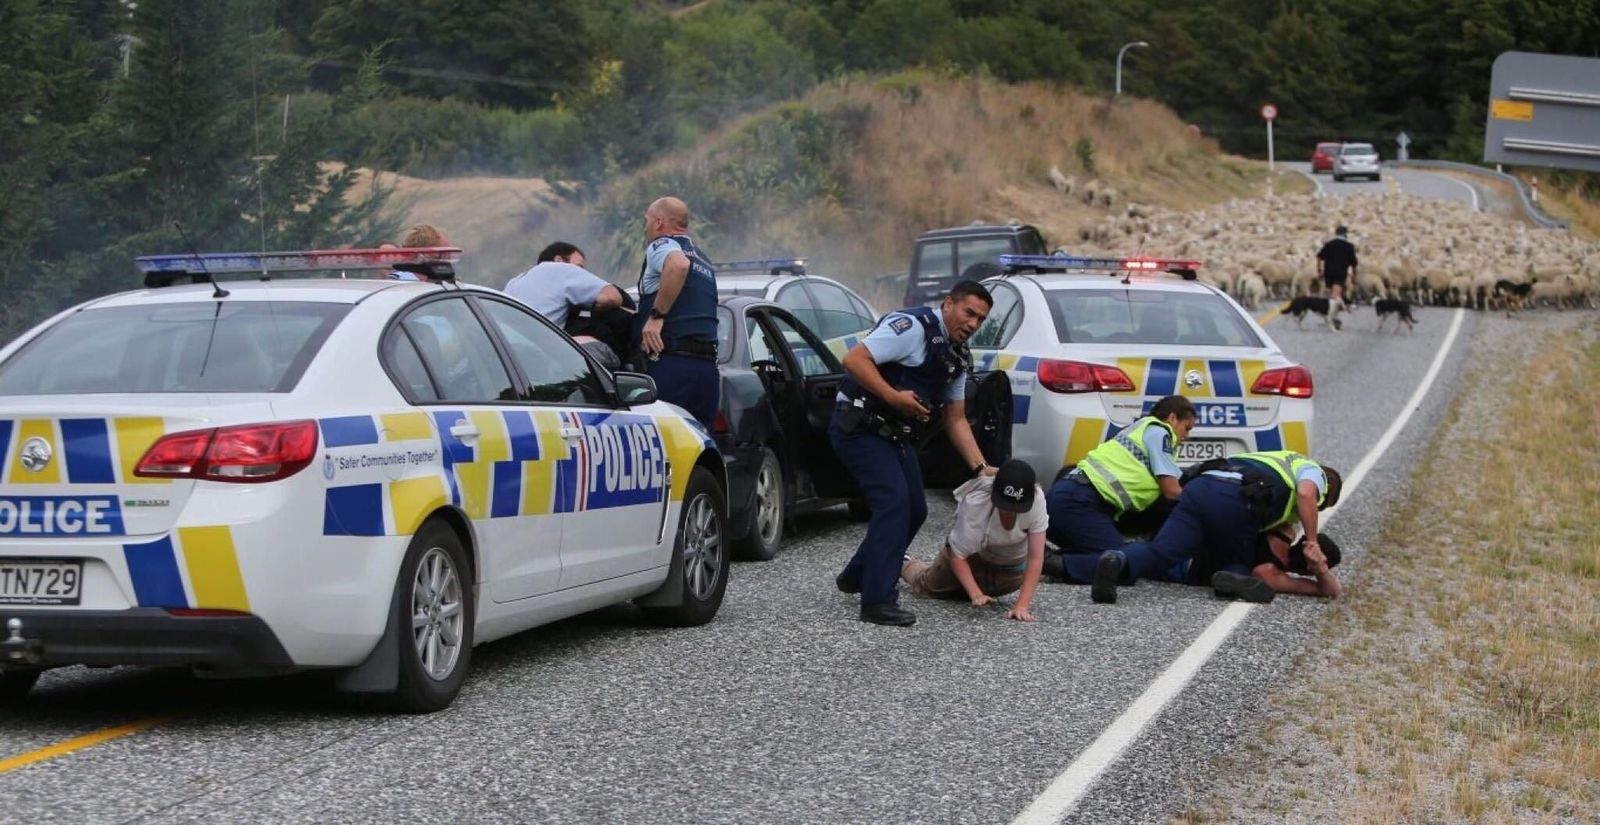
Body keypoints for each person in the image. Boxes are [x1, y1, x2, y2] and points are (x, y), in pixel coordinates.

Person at [831, 280, 996, 627]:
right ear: (948, 304)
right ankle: (877, 600)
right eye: (969, 313)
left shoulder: (956, 356)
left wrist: (980, 467)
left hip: (894, 435)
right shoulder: (911, 328)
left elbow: (955, 418)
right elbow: (854, 360)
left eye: (981, 319)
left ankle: (858, 574)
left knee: (916, 510)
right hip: (859, 425)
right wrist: (894, 397)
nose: (972, 324)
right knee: (894, 503)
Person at [1085, 450, 1342, 604]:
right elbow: (1307, 495)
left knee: (1160, 551)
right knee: (1238, 561)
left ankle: (1117, 560)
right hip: (1236, 499)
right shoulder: (1312, 472)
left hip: (1201, 486)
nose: (1313, 512)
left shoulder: (1278, 461)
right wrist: (1313, 543)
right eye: (1322, 506)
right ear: (1326, 489)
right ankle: (1230, 579)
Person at [1043, 396, 1197, 584]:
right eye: (1186, 428)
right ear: (1172, 418)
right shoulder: (1160, 432)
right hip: (1079, 503)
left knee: (1108, 554)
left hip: (1067, 499)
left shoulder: (1141, 430)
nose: (1186, 436)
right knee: (1122, 563)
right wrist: (1200, 505)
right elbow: (1172, 491)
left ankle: (1043, 557)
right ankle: (1051, 563)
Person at [901, 459, 1047, 622]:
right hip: (971, 559)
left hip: (1008, 570)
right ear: (992, 492)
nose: (1008, 511)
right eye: (1003, 505)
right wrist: (975, 594)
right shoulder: (977, 502)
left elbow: (1035, 557)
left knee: (957, 594)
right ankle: (903, 561)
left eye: (1015, 508)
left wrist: (1022, 606)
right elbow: (958, 556)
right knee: (927, 586)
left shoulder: (1037, 499)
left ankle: (966, 586)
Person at [635, 197, 720, 428]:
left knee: (665, 448)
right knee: (699, 449)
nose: (646, 227)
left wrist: (656, 317)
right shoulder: (704, 259)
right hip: (705, 371)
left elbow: (677, 265)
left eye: (647, 221)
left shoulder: (661, 245)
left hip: (671, 364)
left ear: (659, 223)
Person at [503, 242, 624, 328]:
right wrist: (591, 306)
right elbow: (613, 297)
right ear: (559, 260)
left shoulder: (514, 282)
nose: (582, 273)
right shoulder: (562, 269)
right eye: (579, 268)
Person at [1207, 529, 1343, 603]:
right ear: (1309, 571)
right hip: (1196, 567)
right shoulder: (1270, 574)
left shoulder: (1285, 531)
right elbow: (1332, 591)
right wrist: (1321, 568)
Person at [1315, 225, 1358, 322]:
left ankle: (1330, 316)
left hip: (1328, 272)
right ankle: (1333, 318)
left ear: (1336, 233)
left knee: (1332, 295)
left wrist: (1319, 270)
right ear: (1346, 234)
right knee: (1335, 296)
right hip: (1340, 272)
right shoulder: (1349, 246)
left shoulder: (1329, 244)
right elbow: (1354, 264)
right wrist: (1354, 276)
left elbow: (1319, 257)